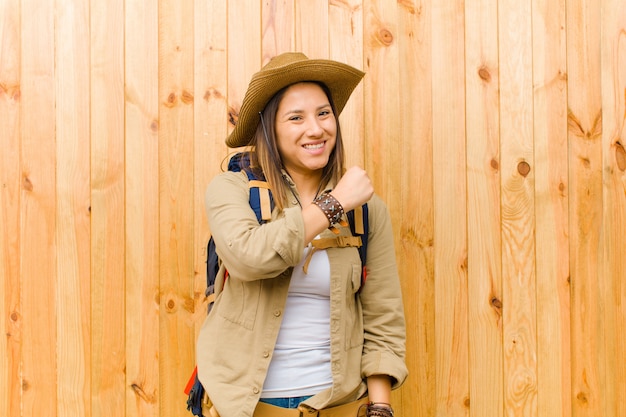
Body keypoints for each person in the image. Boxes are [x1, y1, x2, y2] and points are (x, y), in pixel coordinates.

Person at [196, 52, 407, 417]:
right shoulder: (230, 190)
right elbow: (249, 258)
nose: (316, 129)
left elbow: (382, 316)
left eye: (324, 113)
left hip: (336, 405)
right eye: (296, 117)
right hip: (246, 408)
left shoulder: (368, 211)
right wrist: (334, 204)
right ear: (269, 129)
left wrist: (380, 408)